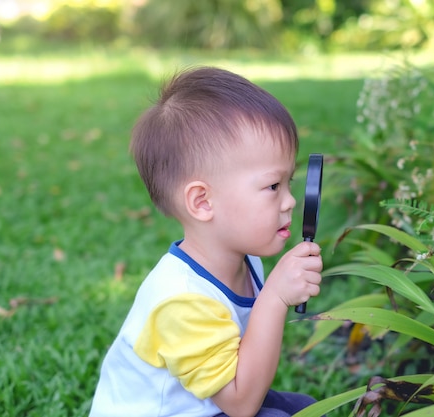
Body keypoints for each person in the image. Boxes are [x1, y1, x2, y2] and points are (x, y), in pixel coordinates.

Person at [89, 66, 323, 417]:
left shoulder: (244, 260)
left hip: (207, 404)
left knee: (303, 409)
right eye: (273, 186)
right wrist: (274, 297)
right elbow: (241, 403)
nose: (289, 201)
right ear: (202, 202)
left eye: (289, 182)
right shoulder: (182, 300)